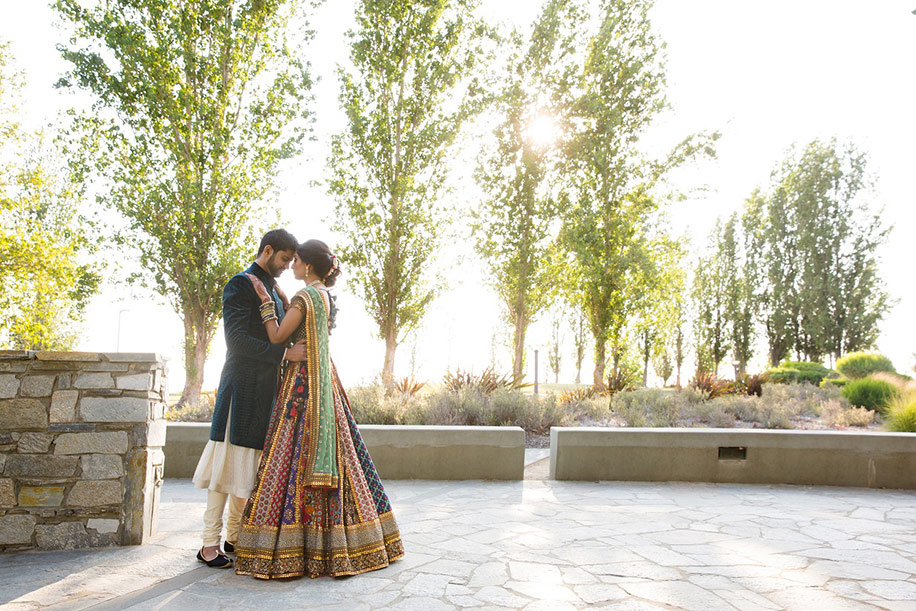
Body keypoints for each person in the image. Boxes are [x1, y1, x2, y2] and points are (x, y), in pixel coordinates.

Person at [234, 239, 404, 579]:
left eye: (296, 260)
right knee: (344, 456)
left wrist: (267, 305)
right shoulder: (324, 296)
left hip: (301, 387)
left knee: (291, 456)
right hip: (324, 384)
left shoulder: (305, 297)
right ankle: (347, 544)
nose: (292, 266)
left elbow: (277, 337)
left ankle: (293, 549)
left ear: (308, 265)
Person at [191, 229, 308, 569]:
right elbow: (237, 341)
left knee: (246, 469)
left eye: (292, 260)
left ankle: (234, 537)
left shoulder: (274, 290)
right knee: (224, 469)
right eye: (284, 259)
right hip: (240, 390)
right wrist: (285, 355)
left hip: (265, 393)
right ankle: (208, 545)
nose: (287, 266)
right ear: (267, 250)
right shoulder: (240, 284)